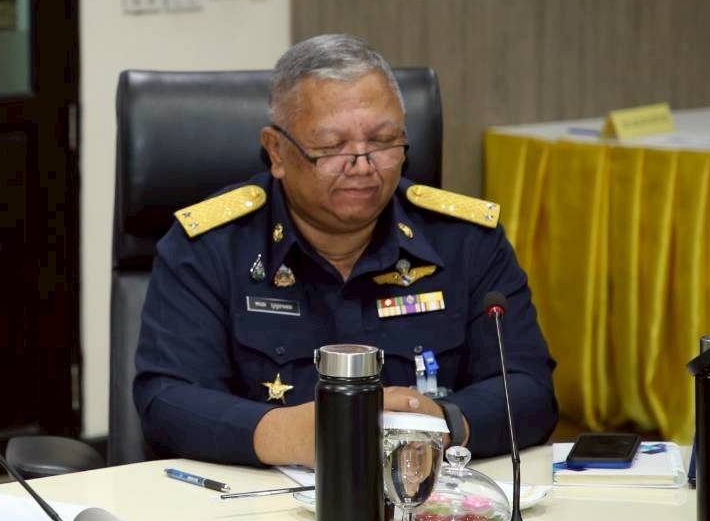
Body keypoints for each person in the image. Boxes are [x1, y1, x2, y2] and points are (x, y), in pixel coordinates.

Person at [133, 35, 557, 468]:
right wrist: (299, 434)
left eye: (383, 141)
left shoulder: (464, 239)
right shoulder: (209, 245)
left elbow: (530, 389)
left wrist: (440, 423)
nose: (362, 165)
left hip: (423, 490)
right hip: (254, 496)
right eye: (332, 147)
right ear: (276, 152)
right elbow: (166, 400)